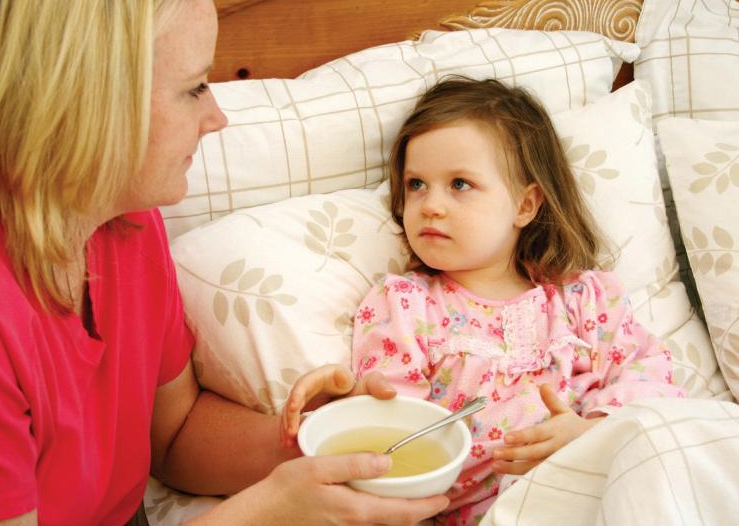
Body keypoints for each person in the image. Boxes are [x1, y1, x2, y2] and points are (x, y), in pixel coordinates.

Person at [0, 0, 450, 524]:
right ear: (85, 103)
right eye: (195, 88)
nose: (217, 117)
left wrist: (322, 437)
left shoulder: (127, 223)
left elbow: (176, 436)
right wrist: (266, 513)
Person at [281, 77, 685, 524]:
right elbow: (395, 435)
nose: (430, 205)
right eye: (416, 184)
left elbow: (653, 375)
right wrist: (350, 401)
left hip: (604, 487)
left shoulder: (583, 298)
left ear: (525, 205)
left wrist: (590, 431)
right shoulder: (406, 306)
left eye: (459, 184)